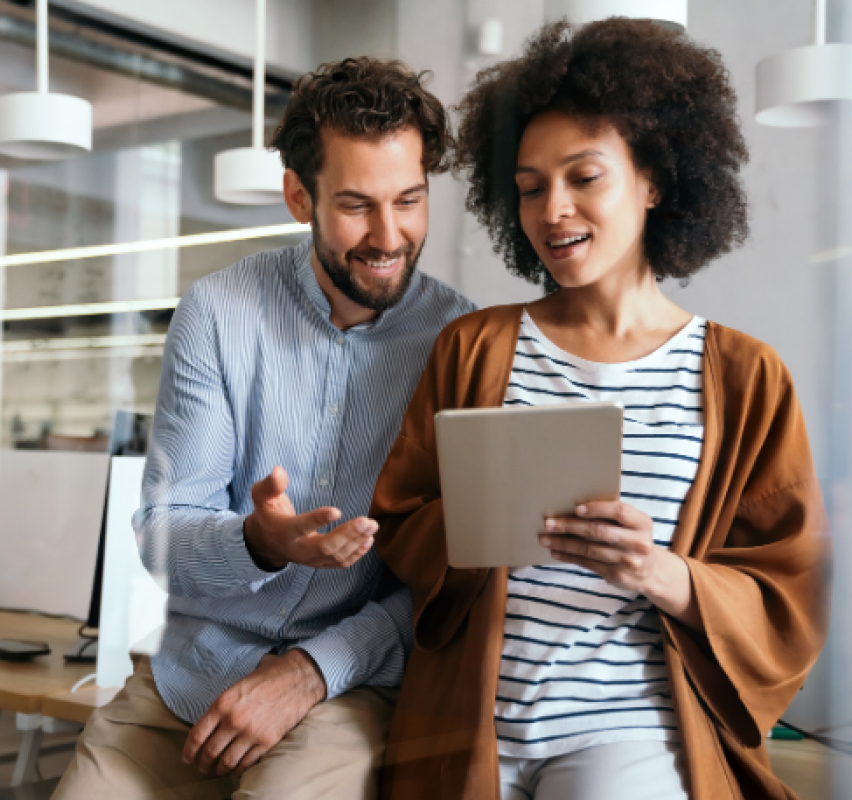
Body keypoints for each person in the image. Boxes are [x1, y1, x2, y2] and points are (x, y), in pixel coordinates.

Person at [370, 19, 831, 800]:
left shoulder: (746, 378)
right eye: (528, 187)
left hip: (628, 729)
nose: (552, 210)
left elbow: (790, 588)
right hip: (467, 722)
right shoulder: (473, 347)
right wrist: (477, 517)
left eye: (584, 177)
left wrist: (661, 572)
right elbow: (401, 525)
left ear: (655, 181)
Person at [51, 57, 476, 800]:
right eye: (355, 205)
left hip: (348, 686)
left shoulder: (459, 340)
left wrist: (311, 671)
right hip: (189, 679)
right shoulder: (219, 312)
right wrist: (256, 542)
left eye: (409, 200)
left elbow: (454, 579)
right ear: (296, 196)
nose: (389, 234)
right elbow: (160, 539)